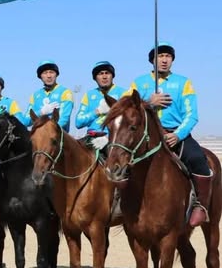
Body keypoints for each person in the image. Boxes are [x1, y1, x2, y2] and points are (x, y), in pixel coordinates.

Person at [129, 42, 212, 227]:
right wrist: (148, 102)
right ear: (152, 60)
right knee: (122, 159)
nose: (164, 60)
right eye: (160, 56)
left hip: (175, 134)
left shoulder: (184, 83)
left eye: (168, 56)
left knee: (198, 159)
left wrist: (178, 135)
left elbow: (192, 115)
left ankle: (201, 205)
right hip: (148, 136)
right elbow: (127, 108)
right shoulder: (138, 83)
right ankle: (122, 202)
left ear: (172, 60)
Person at [75, 61, 126, 150]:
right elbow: (78, 123)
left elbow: (128, 123)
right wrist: (97, 112)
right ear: (95, 78)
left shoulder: (123, 94)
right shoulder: (89, 95)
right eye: (100, 74)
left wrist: (108, 137)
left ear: (112, 76)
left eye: (107, 73)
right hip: (90, 138)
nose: (104, 76)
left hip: (114, 139)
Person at [23, 60, 74, 131]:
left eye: (51, 72)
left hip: (57, 135)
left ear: (56, 75)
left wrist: (48, 131)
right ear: (40, 76)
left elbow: (64, 119)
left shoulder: (65, 92)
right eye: (45, 73)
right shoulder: (34, 96)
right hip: (39, 135)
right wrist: (41, 112)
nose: (49, 76)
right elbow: (25, 121)